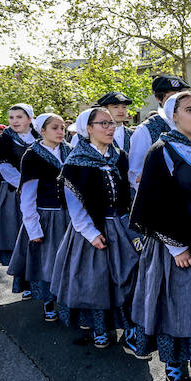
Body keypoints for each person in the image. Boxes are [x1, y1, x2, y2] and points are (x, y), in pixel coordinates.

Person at [128, 91, 191, 381]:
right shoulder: (162, 150)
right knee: (176, 305)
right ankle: (174, 361)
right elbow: (153, 202)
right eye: (188, 109)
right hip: (174, 243)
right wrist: (177, 247)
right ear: (174, 116)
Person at [51, 107, 139, 349]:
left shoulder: (119, 155)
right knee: (97, 282)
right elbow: (74, 205)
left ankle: (130, 327)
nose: (110, 128)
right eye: (103, 124)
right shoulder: (76, 162)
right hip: (91, 229)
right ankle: (100, 328)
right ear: (88, 129)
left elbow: (128, 190)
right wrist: (91, 233)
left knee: (127, 276)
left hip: (120, 225)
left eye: (111, 124)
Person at [7, 114, 72, 322]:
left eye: (62, 127)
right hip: (48, 215)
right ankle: (48, 301)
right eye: (55, 128)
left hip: (71, 216)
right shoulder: (33, 155)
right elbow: (27, 196)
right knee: (49, 262)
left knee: (70, 260)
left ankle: (70, 301)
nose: (60, 131)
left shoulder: (69, 150)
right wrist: (33, 228)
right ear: (42, 131)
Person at [0, 104, 38, 274]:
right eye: (11, 117)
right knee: (19, 234)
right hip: (16, 191)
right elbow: (4, 168)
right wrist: (27, 185)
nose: (14, 121)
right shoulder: (4, 139)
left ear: (29, 118)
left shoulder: (39, 136)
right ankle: (23, 281)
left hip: (42, 191)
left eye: (19, 117)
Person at [128, 75, 191, 190]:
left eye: (181, 97)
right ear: (159, 99)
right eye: (171, 98)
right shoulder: (146, 129)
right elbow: (136, 175)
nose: (177, 103)